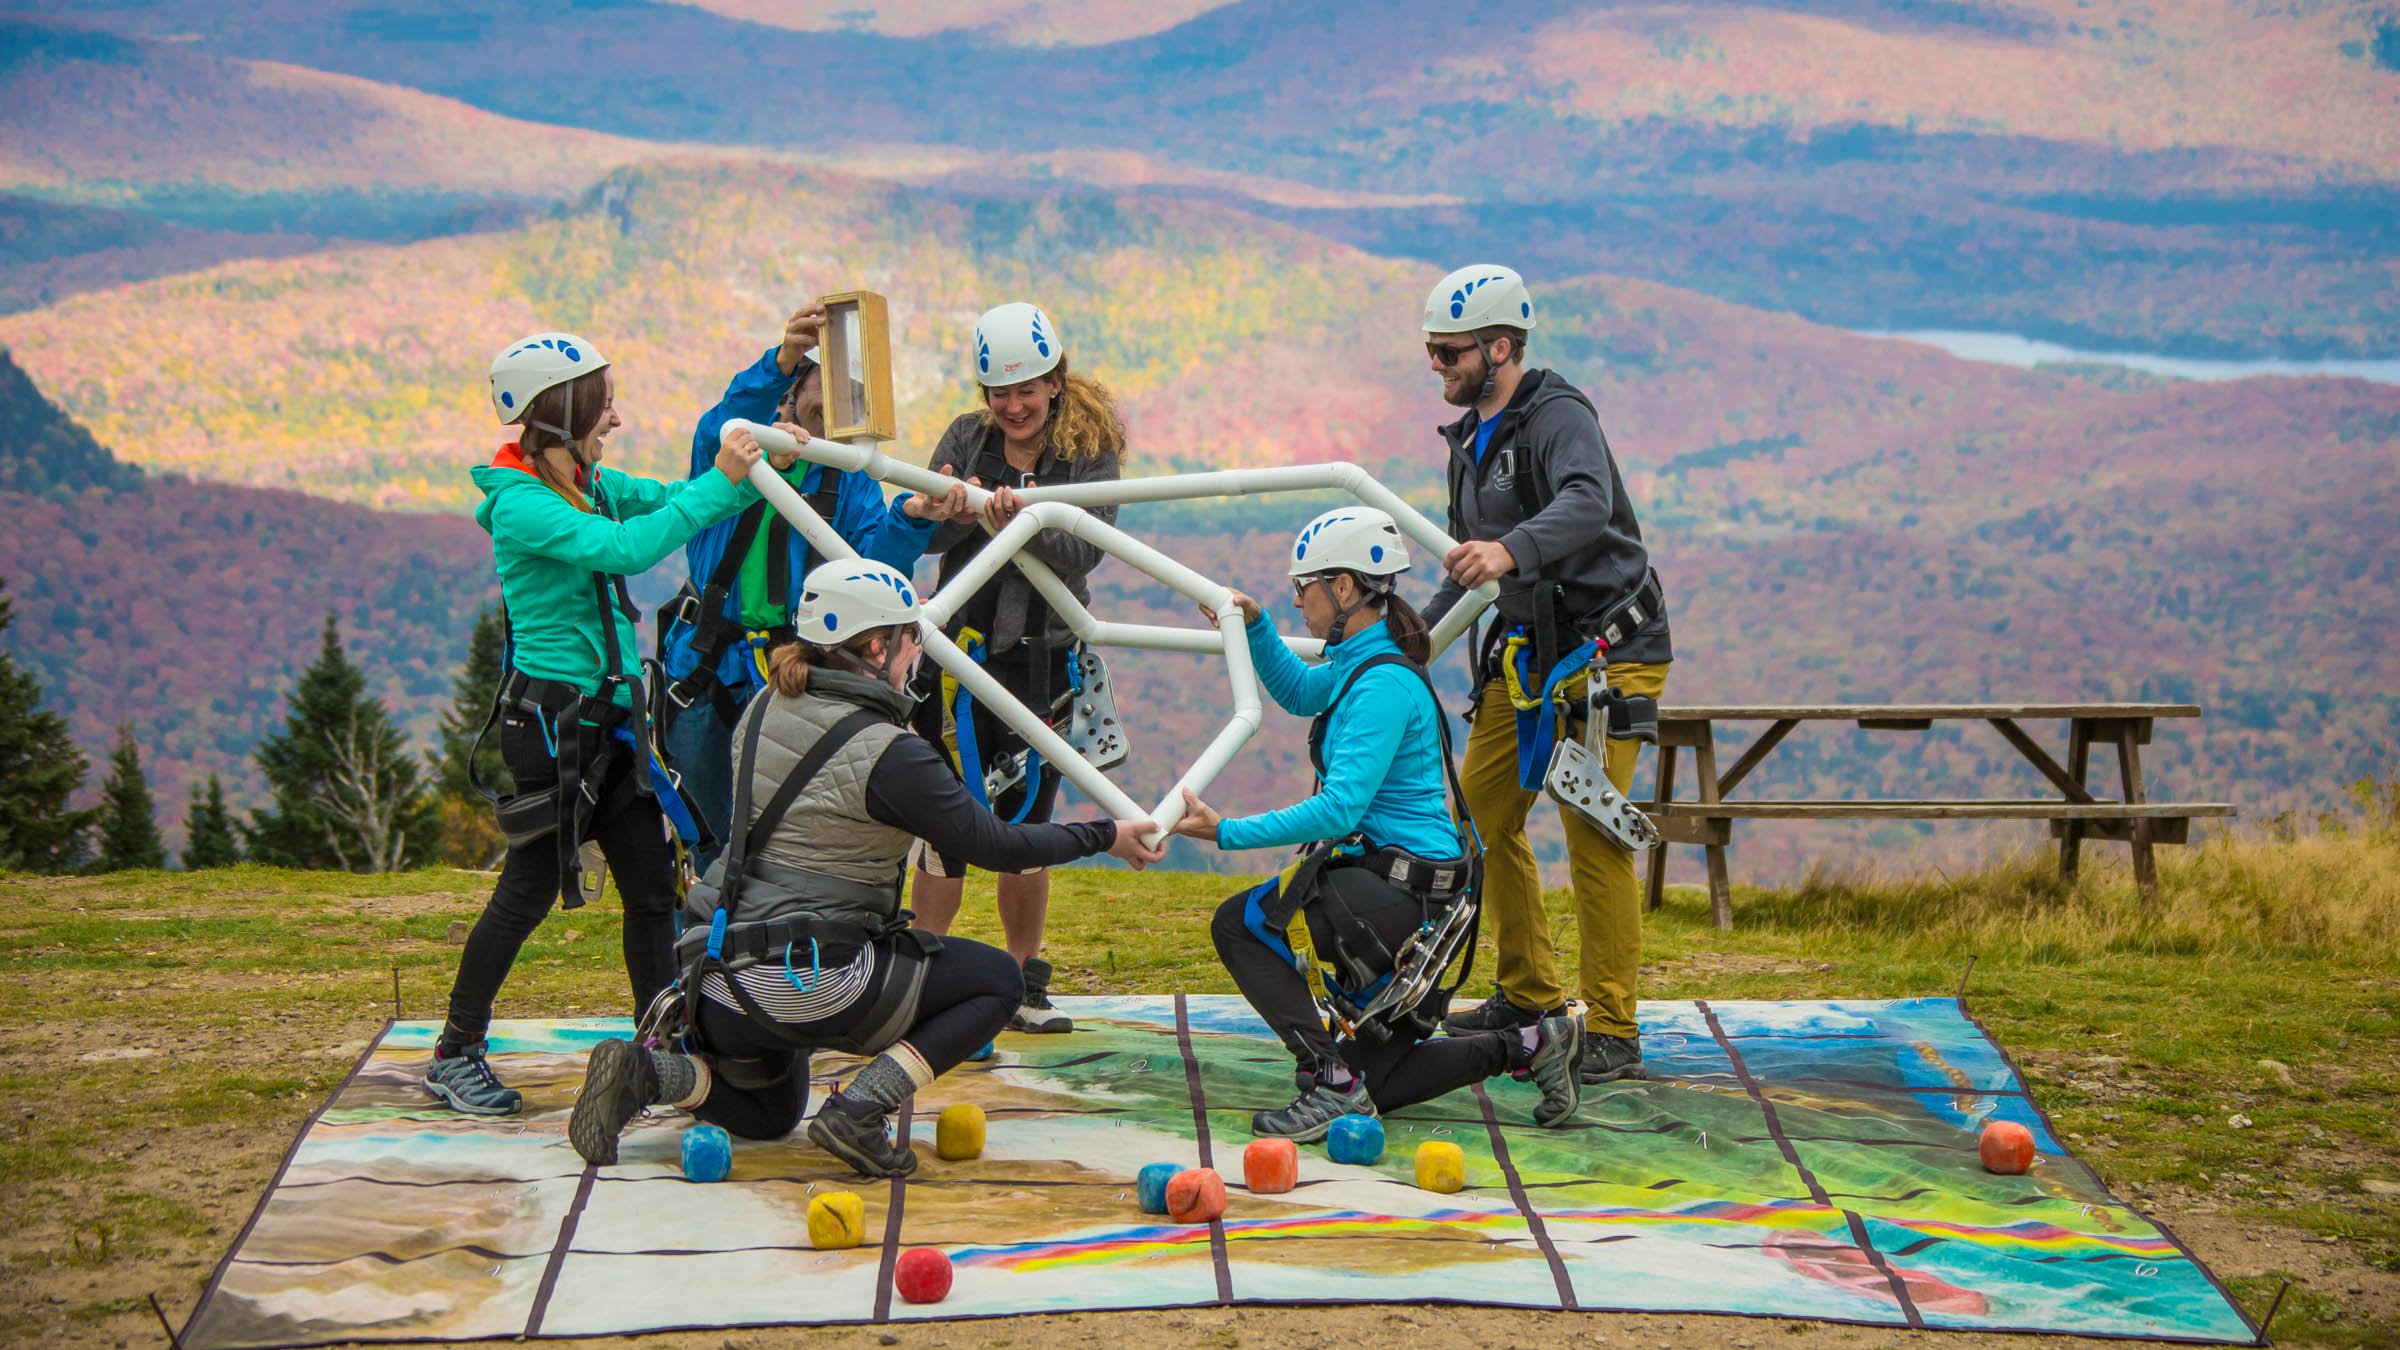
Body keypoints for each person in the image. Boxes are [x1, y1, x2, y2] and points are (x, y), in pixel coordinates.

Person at [568, 561, 1166, 1175]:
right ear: (877, 647)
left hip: (719, 974)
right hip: (815, 978)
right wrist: (1105, 835)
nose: (918, 656)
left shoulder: (768, 704)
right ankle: (859, 1108)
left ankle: (647, 1072)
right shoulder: (889, 751)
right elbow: (997, 845)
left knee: (770, 1115)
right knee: (995, 980)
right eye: (912, 639)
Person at [426, 331, 790, 1117]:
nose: (614, 419)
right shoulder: (522, 502)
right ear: (560, 412)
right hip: (555, 728)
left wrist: (755, 473)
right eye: (602, 405)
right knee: (525, 891)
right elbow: (624, 550)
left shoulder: (584, 478)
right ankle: (457, 1049)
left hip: (612, 722)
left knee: (652, 892)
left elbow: (661, 501)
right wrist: (725, 484)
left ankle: (658, 1050)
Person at [1171, 508, 1583, 1139]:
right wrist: (1256, 627)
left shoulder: (1380, 685)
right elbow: (1302, 694)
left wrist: (1225, 831)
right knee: (1381, 1084)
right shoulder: (1359, 661)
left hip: (1399, 897)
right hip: (1417, 896)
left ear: (1342, 588)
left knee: (1241, 924)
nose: (1297, 603)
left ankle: (1329, 1079)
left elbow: (1339, 809)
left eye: (1301, 590)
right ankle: (1531, 1041)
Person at [1416, 265, 1673, 1086]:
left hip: (1608, 657)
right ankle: (1528, 994)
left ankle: (1614, 1031)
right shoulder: (1470, 441)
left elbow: (1587, 502)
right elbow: (1466, 559)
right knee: (1484, 815)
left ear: (1500, 347)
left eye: (1450, 352)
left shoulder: (1558, 418)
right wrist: (1414, 632)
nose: (1438, 365)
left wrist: (1512, 548)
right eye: (1431, 352)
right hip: (1525, 658)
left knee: (1593, 834)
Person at [656, 304, 966, 872]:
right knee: (702, 831)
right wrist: (784, 358)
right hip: (705, 661)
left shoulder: (844, 476)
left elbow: (870, 563)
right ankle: (701, 949)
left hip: (790, 668)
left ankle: (765, 950)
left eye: (847, 403)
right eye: (819, 390)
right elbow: (725, 419)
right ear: (788, 397)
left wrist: (915, 514)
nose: (830, 414)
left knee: (782, 828)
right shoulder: (730, 451)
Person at [908, 302, 1126, 1034]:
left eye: (1028, 388)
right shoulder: (969, 440)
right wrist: (946, 509)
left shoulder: (1089, 450)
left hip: (1044, 661)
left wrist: (1018, 517)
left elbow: (1084, 551)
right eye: (1000, 393)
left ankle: (1023, 978)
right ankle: (922, 968)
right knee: (942, 824)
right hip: (958, 656)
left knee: (1026, 823)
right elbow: (927, 532)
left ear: (1056, 381)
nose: (1014, 406)